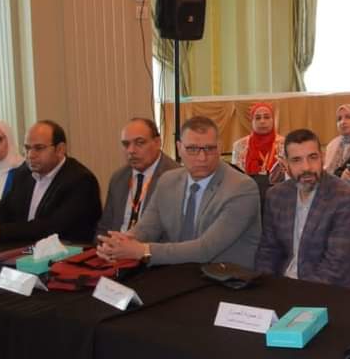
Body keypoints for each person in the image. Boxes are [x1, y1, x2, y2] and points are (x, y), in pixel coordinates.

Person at [98, 116, 260, 266]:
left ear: (220, 147)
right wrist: (119, 243)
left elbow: (205, 249)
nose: (202, 158)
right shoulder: (168, 181)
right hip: (176, 272)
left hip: (223, 277)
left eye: (209, 148)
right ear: (179, 148)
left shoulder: (242, 187)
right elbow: (147, 228)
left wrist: (142, 250)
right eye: (192, 149)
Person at [255, 129, 350, 288]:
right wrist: (265, 288)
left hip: (331, 290)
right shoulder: (276, 196)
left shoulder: (345, 198)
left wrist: (298, 294)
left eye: (312, 157)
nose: (306, 167)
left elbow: (335, 266)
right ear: (285, 164)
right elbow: (268, 251)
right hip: (283, 285)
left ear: (322, 157)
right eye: (296, 160)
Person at [0, 120, 100, 245]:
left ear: (60, 149)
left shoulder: (81, 180)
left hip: (67, 253)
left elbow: (51, 227)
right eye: (27, 148)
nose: (30, 155)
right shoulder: (24, 172)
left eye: (39, 148)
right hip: (25, 248)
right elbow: (5, 208)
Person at [97, 118, 178, 234]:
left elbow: (173, 234)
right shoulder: (118, 178)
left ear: (157, 143)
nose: (131, 150)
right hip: (116, 243)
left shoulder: (176, 177)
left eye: (140, 143)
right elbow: (105, 226)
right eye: (126, 144)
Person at [231, 102, 285, 180]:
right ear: (252, 122)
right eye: (258, 118)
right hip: (248, 185)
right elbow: (235, 175)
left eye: (266, 117)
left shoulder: (284, 143)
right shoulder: (239, 145)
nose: (262, 121)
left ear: (273, 120)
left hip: (277, 185)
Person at [323, 103, 350, 176]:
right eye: (339, 119)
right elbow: (326, 171)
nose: (343, 122)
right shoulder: (332, 144)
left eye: (348, 117)